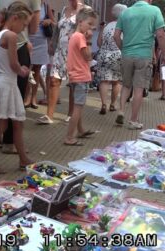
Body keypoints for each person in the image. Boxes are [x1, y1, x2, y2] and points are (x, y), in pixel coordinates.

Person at [0, 2, 34, 173]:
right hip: (7, 84)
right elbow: (13, 63)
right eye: (24, 25)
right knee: (9, 125)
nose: (23, 29)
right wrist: (23, 70)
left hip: (1, 82)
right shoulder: (11, 36)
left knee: (9, 125)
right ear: (15, 18)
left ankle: (22, 159)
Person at [114, 0, 165, 130]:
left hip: (127, 55)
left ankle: (121, 111)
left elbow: (116, 36)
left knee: (126, 85)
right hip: (143, 56)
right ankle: (133, 120)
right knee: (139, 88)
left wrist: (124, 49)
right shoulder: (154, 10)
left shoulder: (125, 12)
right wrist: (164, 54)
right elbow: (160, 35)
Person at [36, 0, 85, 124]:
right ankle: (49, 115)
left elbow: (87, 30)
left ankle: (71, 114)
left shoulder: (85, 10)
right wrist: (52, 43)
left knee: (73, 84)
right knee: (53, 80)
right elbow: (58, 28)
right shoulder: (64, 9)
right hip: (60, 51)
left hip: (75, 52)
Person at [64, 7, 98, 146]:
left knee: (78, 105)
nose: (91, 28)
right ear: (80, 21)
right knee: (78, 107)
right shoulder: (81, 37)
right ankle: (69, 137)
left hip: (74, 75)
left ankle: (80, 129)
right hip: (81, 76)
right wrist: (89, 40)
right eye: (89, 24)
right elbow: (88, 56)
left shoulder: (73, 36)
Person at [24, 0, 55, 109]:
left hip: (41, 41)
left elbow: (54, 22)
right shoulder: (28, 3)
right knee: (29, 70)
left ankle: (33, 97)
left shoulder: (46, 5)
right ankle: (27, 97)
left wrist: (48, 21)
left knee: (36, 71)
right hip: (28, 39)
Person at [96, 4, 127, 115]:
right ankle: (112, 104)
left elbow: (99, 43)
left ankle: (104, 104)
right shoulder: (124, 26)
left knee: (104, 81)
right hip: (118, 55)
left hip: (104, 55)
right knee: (117, 81)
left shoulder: (106, 26)